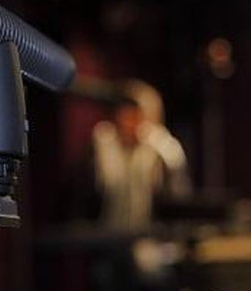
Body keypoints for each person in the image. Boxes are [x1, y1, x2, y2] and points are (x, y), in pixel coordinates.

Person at [72, 79, 192, 231]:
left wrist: (164, 149)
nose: (130, 123)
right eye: (126, 115)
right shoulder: (103, 145)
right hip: (106, 235)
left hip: (150, 237)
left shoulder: (161, 150)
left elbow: (178, 198)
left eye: (137, 116)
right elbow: (86, 195)